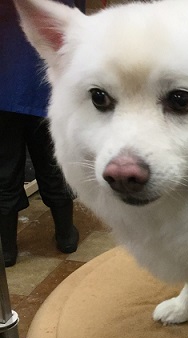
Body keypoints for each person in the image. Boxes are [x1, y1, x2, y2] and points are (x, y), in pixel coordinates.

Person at [0, 0, 86, 267]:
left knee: (4, 171)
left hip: (3, 86)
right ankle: (65, 236)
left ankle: (7, 250)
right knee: (52, 164)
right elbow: (75, 24)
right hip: (43, 89)